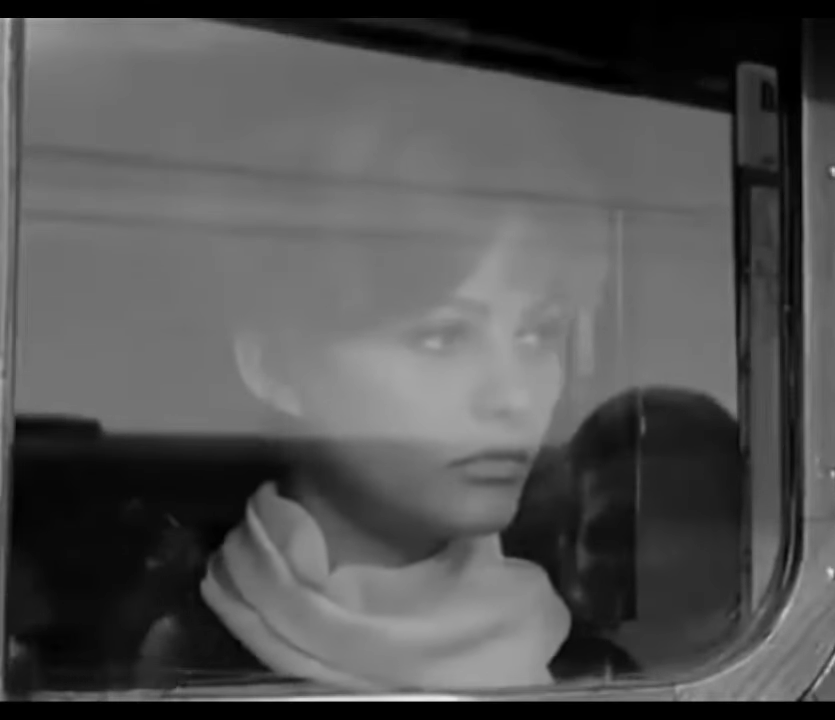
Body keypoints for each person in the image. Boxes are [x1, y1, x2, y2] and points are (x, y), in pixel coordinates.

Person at [129, 54, 633, 694]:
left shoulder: (602, 673)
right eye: (441, 336)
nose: (512, 395)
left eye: (539, 332)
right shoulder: (164, 664)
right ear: (275, 365)